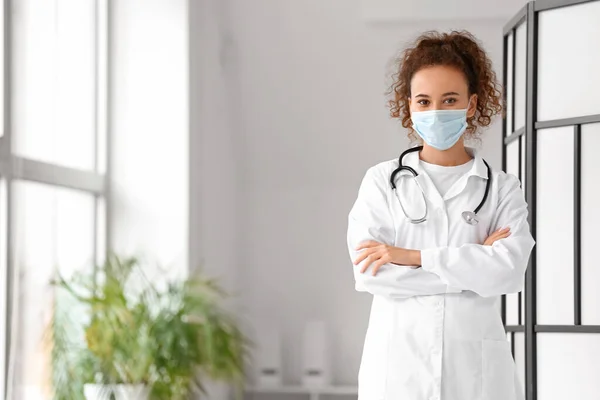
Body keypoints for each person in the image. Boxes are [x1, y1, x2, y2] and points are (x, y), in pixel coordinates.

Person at [346, 30, 535, 400]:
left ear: (471, 103)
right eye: (424, 100)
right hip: (400, 368)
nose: (436, 111)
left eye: (450, 99)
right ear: (410, 107)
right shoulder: (382, 181)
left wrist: (414, 257)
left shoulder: (501, 188)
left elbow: (509, 273)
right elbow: (372, 275)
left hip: (475, 372)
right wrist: (473, 268)